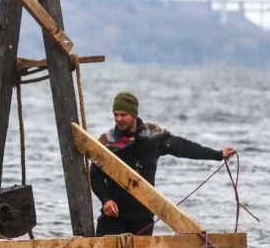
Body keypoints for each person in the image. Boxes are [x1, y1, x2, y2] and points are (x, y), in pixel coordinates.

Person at [90, 91, 235, 236]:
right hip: (114, 217)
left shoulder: (153, 136)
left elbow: (184, 148)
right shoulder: (107, 141)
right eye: (115, 114)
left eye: (123, 115)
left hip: (143, 218)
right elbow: (94, 176)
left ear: (134, 114)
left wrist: (218, 155)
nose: (118, 119)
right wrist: (106, 200)